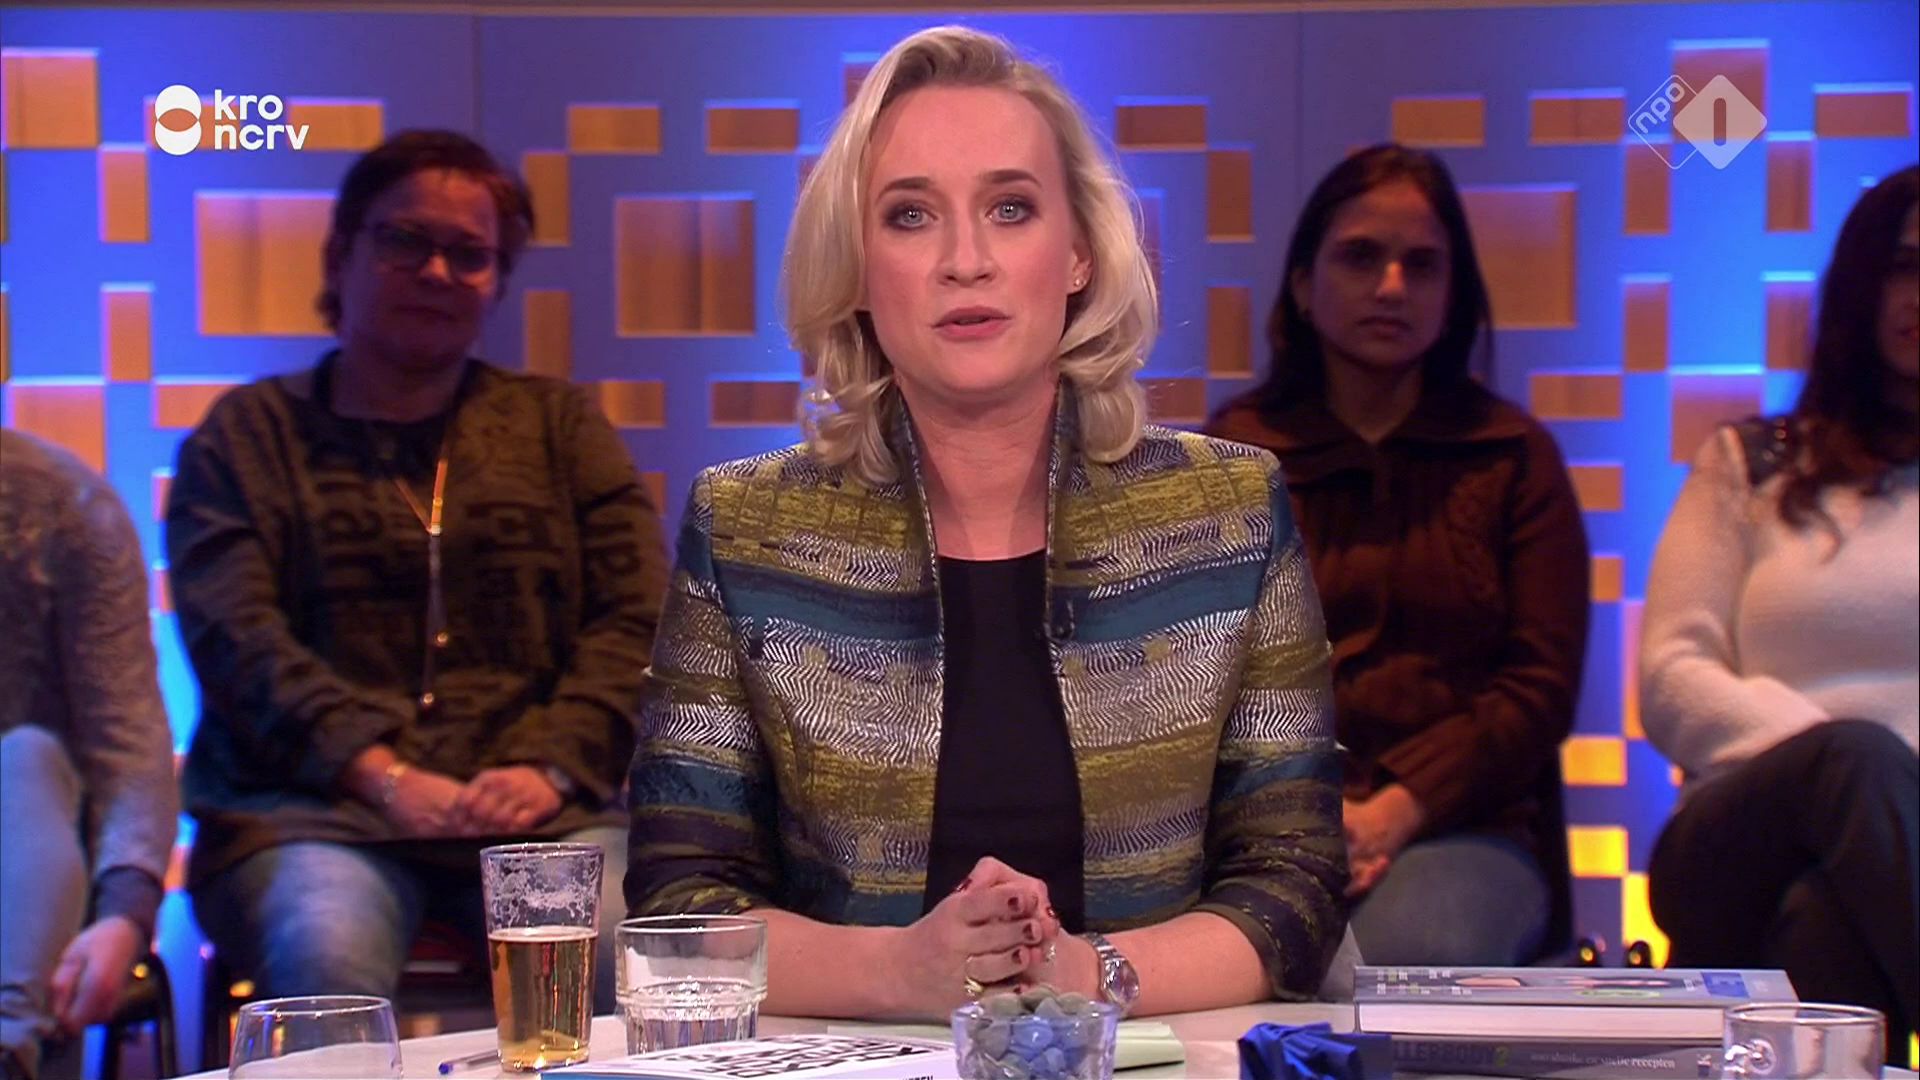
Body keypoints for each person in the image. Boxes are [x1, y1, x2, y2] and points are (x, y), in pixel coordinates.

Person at [626, 25, 1347, 1022]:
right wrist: (899, 974)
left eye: (1011, 208)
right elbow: (679, 904)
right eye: (910, 215)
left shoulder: (1228, 514)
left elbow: (1295, 889)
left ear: (1080, 253)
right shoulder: (747, 528)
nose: (965, 261)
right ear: (857, 269)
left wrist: (1082, 977)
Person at [165, 130, 668, 1008]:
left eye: (469, 255)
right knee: (327, 951)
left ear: (497, 281)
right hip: (315, 817)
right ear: (342, 255)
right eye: (406, 241)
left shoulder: (558, 427)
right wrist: (380, 775)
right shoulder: (246, 439)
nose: (437, 272)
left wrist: (549, 767)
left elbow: (639, 619)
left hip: (540, 813)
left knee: (625, 957)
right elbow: (239, 644)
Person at [1206, 144, 1588, 967]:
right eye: (1360, 257)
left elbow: (1538, 690)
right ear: (1303, 285)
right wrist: (1306, 818)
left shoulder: (1513, 457)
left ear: (1453, 295)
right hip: (1263, 830)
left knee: (1392, 957)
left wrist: (1398, 808)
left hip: (1464, 828)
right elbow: (1198, 673)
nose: (1390, 286)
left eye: (1421, 264)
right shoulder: (1237, 457)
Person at [1640, 164, 1918, 1063]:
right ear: (1862, 282)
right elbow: (1672, 675)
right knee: (1855, 759)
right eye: (1905, 264)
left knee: (1821, 920)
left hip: (1893, 858)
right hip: (1735, 834)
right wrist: (1835, 762)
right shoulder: (1753, 462)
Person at [1, 430, 180, 1080]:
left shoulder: (64, 505)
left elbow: (128, 743)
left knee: (28, 759)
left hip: (20, 871)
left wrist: (125, 915)